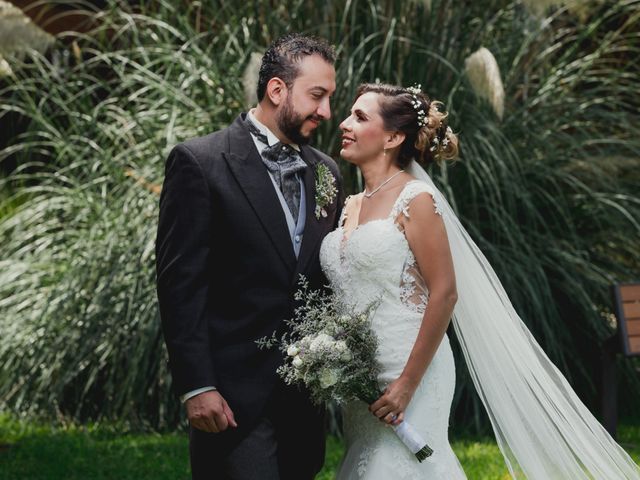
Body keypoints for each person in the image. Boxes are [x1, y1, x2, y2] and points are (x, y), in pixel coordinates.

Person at [319, 83, 640, 479]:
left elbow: (445, 292)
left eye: (360, 117)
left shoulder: (416, 199)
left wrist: (406, 383)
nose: (345, 124)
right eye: (350, 114)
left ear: (393, 137)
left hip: (410, 366)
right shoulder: (349, 204)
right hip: (361, 374)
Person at [156, 33, 344, 480]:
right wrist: (197, 385)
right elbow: (180, 283)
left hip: (303, 401)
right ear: (277, 90)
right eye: (317, 96)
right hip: (231, 398)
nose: (326, 112)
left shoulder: (327, 172)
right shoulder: (199, 162)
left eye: (330, 98)